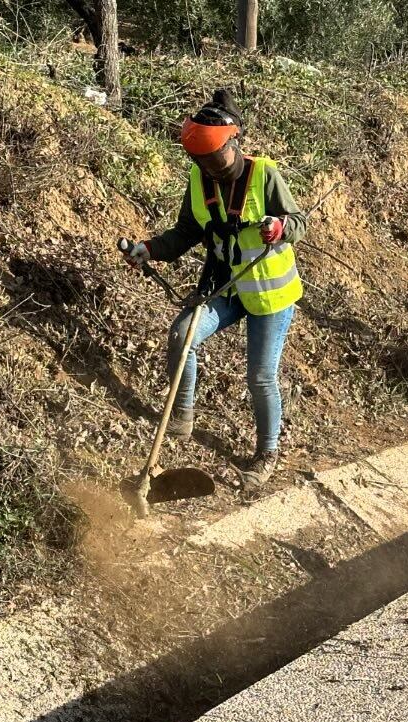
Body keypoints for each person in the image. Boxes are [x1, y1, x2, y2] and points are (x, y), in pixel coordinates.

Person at [124, 89, 305, 490]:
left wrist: (279, 227)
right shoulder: (199, 179)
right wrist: (149, 249)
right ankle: (182, 416)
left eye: (214, 157)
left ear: (234, 143)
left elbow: (298, 221)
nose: (208, 166)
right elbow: (187, 231)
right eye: (199, 160)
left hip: (271, 296)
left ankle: (267, 453)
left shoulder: (264, 175)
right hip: (226, 286)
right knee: (182, 334)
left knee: (259, 376)